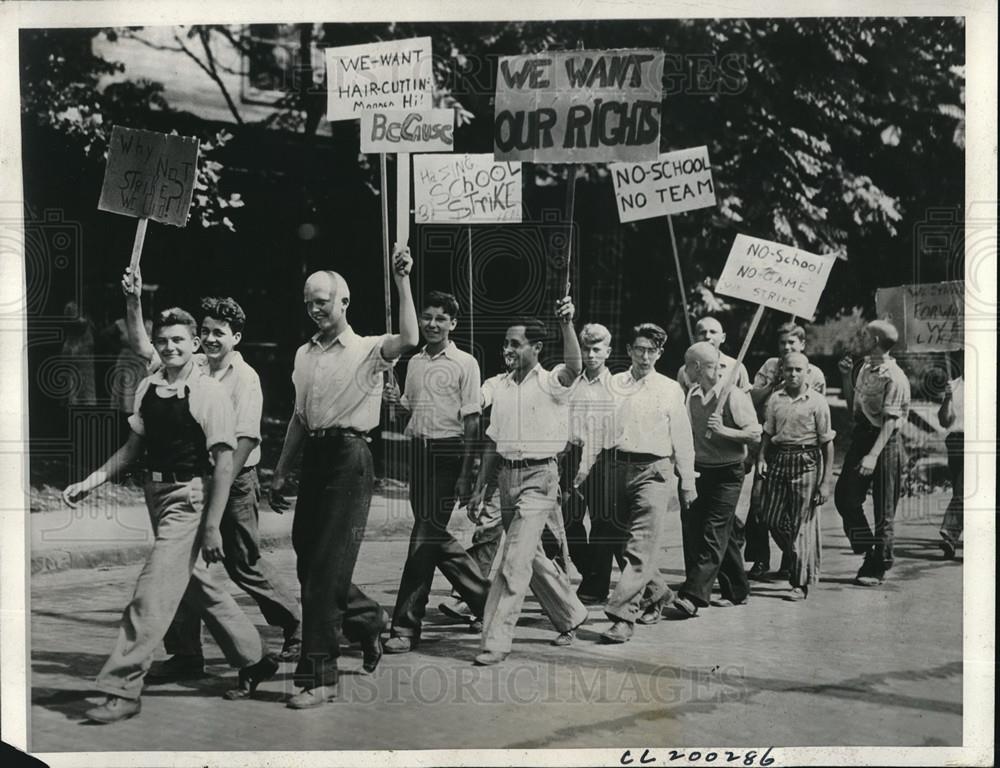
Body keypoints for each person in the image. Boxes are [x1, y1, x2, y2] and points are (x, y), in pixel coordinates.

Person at [63, 307, 275, 724]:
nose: (170, 347)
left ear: (194, 345)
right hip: (155, 495)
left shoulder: (208, 392)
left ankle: (122, 687)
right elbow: (131, 450)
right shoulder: (148, 387)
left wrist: (212, 525)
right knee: (196, 585)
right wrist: (89, 482)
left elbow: (224, 463)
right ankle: (255, 658)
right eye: (163, 341)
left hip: (190, 498)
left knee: (152, 592)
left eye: (179, 340)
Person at [121, 269, 303, 682]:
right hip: (193, 481)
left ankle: (294, 621)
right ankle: (186, 653)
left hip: (234, 480)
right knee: (180, 565)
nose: (212, 339)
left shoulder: (246, 378)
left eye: (220, 332)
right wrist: (132, 301)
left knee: (242, 562)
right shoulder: (192, 363)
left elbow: (242, 442)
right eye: (206, 331)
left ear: (236, 336)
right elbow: (141, 345)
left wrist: (215, 502)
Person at [269, 246, 418, 708]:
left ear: (344, 301)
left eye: (323, 302)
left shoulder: (369, 349)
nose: (315, 310)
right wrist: (280, 470)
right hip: (314, 455)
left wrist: (402, 281)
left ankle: (320, 677)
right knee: (306, 558)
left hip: (351, 458)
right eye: (309, 302)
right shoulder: (304, 354)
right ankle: (368, 619)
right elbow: (298, 415)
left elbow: (410, 338)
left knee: (325, 570)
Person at [466, 302, 589, 665]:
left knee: (514, 560)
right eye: (505, 343)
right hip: (506, 478)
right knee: (531, 556)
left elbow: (574, 368)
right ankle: (571, 614)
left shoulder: (552, 382)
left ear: (536, 348)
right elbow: (491, 440)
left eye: (515, 344)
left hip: (541, 477)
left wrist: (567, 323)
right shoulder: (497, 385)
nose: (507, 350)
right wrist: (479, 489)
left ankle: (496, 640)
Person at [381, 291, 489, 653]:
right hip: (419, 454)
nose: (431, 324)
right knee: (431, 537)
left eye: (440, 318)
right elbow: (407, 413)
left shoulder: (465, 363)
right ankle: (490, 603)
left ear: (453, 323)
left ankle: (406, 626)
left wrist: (467, 472)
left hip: (449, 453)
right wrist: (395, 404)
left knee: (425, 537)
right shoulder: (412, 363)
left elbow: (472, 422)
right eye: (426, 317)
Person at [598, 323, 697, 644]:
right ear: (628, 350)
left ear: (660, 353)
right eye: (638, 349)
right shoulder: (613, 384)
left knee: (640, 546)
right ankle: (658, 593)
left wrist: (687, 481)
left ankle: (622, 617)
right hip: (616, 467)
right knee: (620, 541)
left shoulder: (669, 389)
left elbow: (682, 438)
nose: (644, 356)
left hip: (654, 471)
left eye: (651, 351)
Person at [674, 342, 761, 618]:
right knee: (707, 530)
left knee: (714, 530)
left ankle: (694, 595)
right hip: (701, 470)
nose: (684, 370)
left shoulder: (732, 395)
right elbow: (686, 433)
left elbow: (754, 434)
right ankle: (738, 588)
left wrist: (724, 431)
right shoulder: (692, 395)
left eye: (687, 365)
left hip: (728, 473)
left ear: (697, 367)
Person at [744, 322, 828, 580]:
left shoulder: (813, 373)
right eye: (782, 343)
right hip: (768, 443)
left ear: (802, 344)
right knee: (759, 505)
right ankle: (760, 558)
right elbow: (752, 399)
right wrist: (774, 384)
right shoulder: (770, 366)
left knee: (795, 511)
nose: (787, 347)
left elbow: (818, 416)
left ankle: (792, 559)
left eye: (792, 343)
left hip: (800, 449)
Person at [834, 320, 911, 587]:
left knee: (883, 510)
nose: (861, 337)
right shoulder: (866, 367)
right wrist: (845, 376)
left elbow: (890, 421)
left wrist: (873, 456)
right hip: (863, 437)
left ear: (876, 340)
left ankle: (878, 563)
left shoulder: (895, 377)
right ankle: (869, 548)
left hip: (886, 444)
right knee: (845, 498)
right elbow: (853, 407)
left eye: (866, 334)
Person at [757, 352, 835, 600]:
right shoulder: (775, 400)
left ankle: (799, 583)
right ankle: (795, 553)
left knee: (802, 524)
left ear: (806, 372)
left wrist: (826, 482)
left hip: (806, 460)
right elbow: (768, 433)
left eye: (798, 370)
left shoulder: (817, 401)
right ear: (781, 371)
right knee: (771, 517)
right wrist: (760, 458)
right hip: (779, 458)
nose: (793, 374)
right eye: (788, 369)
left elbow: (826, 443)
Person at [568, 323, 627, 605]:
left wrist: (586, 466)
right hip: (572, 453)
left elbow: (603, 431)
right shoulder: (572, 382)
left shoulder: (615, 386)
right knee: (569, 520)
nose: (590, 355)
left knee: (603, 521)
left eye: (596, 349)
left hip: (603, 457)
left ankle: (595, 585)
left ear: (608, 351)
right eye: (586, 349)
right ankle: (591, 571)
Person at [676, 316, 750, 394]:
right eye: (702, 332)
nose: (707, 336)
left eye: (713, 332)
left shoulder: (736, 367)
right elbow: (680, 403)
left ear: (723, 338)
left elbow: (746, 403)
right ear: (694, 338)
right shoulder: (684, 371)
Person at [937, 371, 963, 559]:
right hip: (956, 441)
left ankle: (950, 533)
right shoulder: (953, 386)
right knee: (959, 491)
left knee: (964, 489)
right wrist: (948, 397)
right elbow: (945, 421)